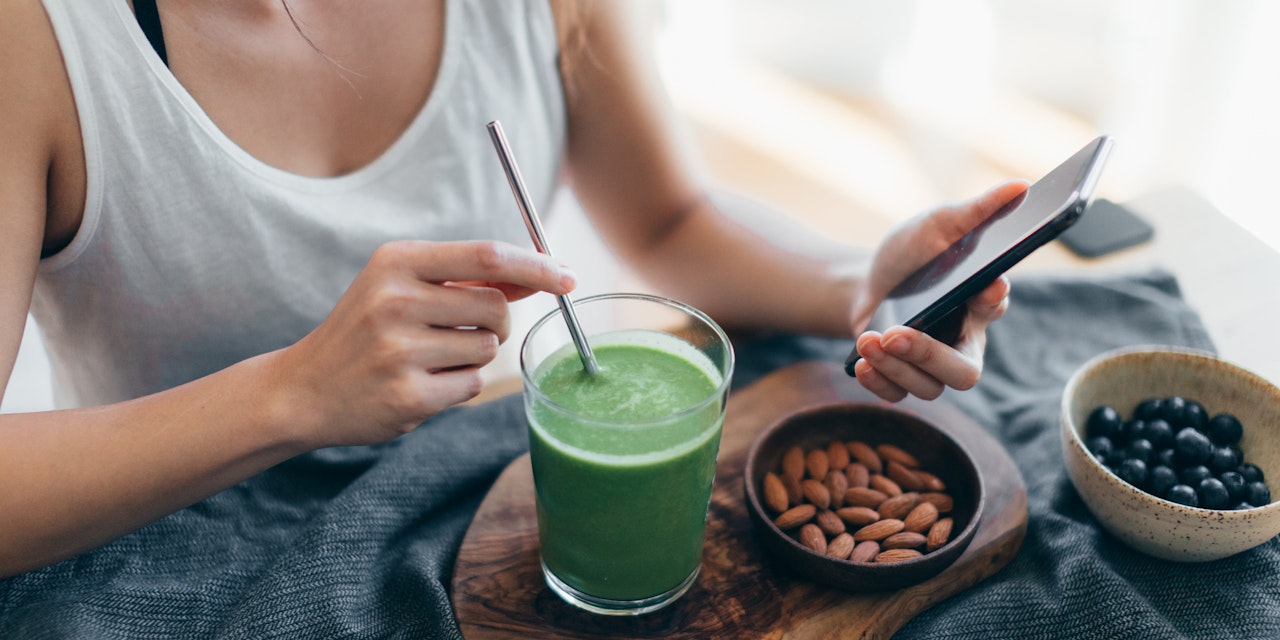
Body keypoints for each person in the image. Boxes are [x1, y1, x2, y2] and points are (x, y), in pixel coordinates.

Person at [0, 0, 1023, 581]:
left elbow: (668, 221)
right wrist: (295, 392)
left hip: (487, 515)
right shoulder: (37, 39)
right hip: (183, 562)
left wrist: (863, 285)